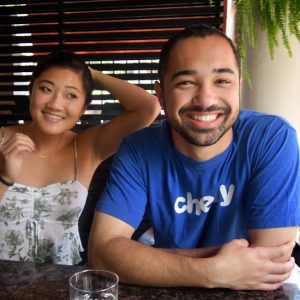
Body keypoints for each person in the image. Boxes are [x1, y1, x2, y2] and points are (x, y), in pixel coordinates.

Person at [88, 24, 300, 290]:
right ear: (161, 95)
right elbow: (102, 254)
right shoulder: (138, 149)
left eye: (222, 81)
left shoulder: (271, 138)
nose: (205, 99)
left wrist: (144, 260)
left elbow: (271, 261)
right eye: (186, 82)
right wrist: (211, 272)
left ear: (238, 88)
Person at [0, 51, 160, 265]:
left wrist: (89, 73)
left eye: (71, 95)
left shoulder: (88, 147)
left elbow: (148, 107)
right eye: (46, 89)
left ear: (84, 108)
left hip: (61, 284)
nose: (55, 104)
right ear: (31, 92)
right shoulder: (2, 139)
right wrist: (4, 177)